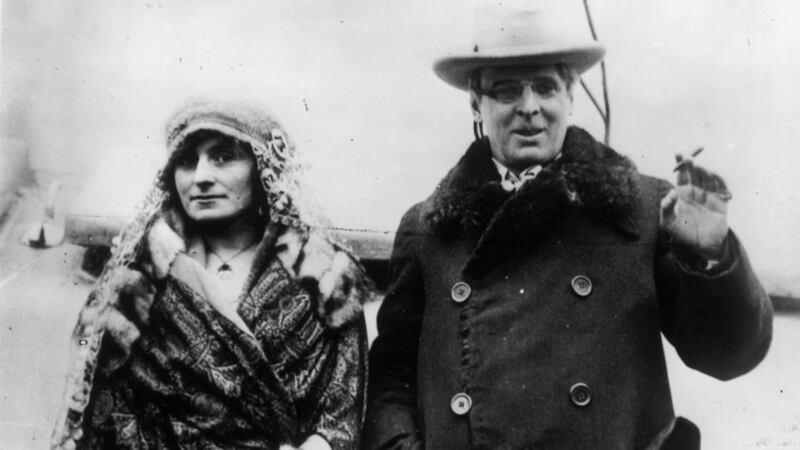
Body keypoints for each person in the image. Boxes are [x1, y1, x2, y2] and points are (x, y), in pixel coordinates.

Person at [362, 2, 773, 449]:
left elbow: (730, 356)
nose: (530, 108)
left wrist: (710, 255)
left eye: (545, 87)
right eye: (506, 91)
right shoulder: (428, 230)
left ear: (571, 96)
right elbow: (390, 383)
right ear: (476, 103)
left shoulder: (644, 210)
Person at [51, 100, 373, 449]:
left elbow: (341, 413)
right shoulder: (136, 283)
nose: (201, 177)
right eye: (187, 161)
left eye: (222, 157)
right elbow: (106, 412)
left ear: (262, 168)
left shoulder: (323, 280)